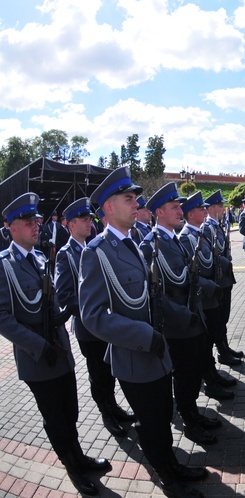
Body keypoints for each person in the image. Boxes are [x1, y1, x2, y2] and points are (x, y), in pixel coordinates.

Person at [78, 167, 207, 498]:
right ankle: (166, 477)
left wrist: (183, 317)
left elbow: (153, 296)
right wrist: (142, 335)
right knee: (151, 423)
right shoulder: (96, 252)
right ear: (108, 207)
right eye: (128, 198)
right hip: (135, 357)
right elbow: (92, 316)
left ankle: (171, 463)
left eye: (136, 198)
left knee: (164, 416)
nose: (137, 203)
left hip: (158, 352)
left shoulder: (134, 241)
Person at [1, 192, 111, 497]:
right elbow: (4, 318)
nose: (35, 226)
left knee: (72, 410)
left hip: (60, 352)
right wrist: (38, 346)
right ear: (11, 228)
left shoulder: (39, 258)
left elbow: (48, 304)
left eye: (36, 220)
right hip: (37, 358)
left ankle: (79, 456)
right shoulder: (4, 265)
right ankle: (73, 467)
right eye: (27, 222)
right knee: (55, 418)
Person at [140, 183, 223, 446]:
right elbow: (154, 295)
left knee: (195, 370)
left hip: (193, 318)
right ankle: (189, 421)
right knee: (185, 377)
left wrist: (211, 290)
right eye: (175, 207)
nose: (180, 211)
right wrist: (183, 316)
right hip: (178, 326)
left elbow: (190, 275)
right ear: (159, 212)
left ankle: (194, 413)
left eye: (179, 207)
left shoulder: (173, 240)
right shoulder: (150, 245)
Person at [55, 197, 136, 439]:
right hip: (89, 327)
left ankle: (113, 405)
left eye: (90, 218)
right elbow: (65, 296)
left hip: (107, 323)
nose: (89, 223)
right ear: (70, 225)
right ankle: (105, 412)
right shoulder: (65, 254)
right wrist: (94, 307)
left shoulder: (97, 246)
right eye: (83, 219)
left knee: (109, 370)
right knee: (97, 373)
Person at [179, 192, 236, 401]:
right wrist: (210, 286)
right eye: (201, 209)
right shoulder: (186, 237)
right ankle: (210, 382)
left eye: (206, 208)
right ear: (191, 213)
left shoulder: (198, 234)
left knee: (212, 335)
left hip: (211, 293)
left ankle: (212, 374)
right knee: (204, 342)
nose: (206, 211)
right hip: (203, 297)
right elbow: (188, 272)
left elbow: (210, 257)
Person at [203, 190, 242, 366]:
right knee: (218, 318)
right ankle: (221, 352)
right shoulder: (207, 227)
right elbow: (211, 253)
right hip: (219, 278)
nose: (223, 208)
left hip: (225, 278)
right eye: (220, 206)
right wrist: (226, 263)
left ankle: (224, 347)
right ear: (211, 208)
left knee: (224, 316)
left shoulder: (217, 225)